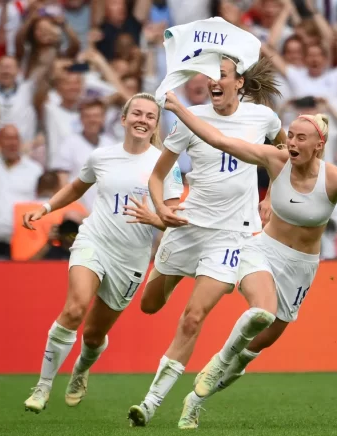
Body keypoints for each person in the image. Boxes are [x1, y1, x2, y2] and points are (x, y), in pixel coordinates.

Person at [160, 91, 337, 428]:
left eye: (299, 137)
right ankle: (219, 360)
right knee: (261, 311)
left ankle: (195, 401)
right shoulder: (275, 159)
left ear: (318, 145)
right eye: (289, 134)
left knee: (252, 352)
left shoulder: (334, 178)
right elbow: (218, 139)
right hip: (263, 250)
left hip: (302, 267)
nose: (290, 141)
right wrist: (179, 109)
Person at [127, 56, 286, 427]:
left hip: (231, 235)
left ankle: (150, 404)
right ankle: (169, 277)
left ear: (240, 83)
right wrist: (161, 209)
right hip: (187, 226)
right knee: (150, 305)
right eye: (210, 77)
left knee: (193, 317)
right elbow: (158, 175)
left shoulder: (262, 118)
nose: (214, 82)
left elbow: (287, 158)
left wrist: (269, 196)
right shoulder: (191, 118)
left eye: (222, 76)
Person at [21, 93, 183, 413]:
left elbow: (173, 216)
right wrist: (46, 207)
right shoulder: (101, 157)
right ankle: (42, 387)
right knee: (74, 308)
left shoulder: (164, 164)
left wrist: (155, 219)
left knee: (94, 335)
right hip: (94, 241)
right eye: (136, 113)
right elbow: (77, 188)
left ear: (155, 125)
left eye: (150, 116)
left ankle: (82, 368)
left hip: (132, 258)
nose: (142, 120)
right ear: (123, 119)